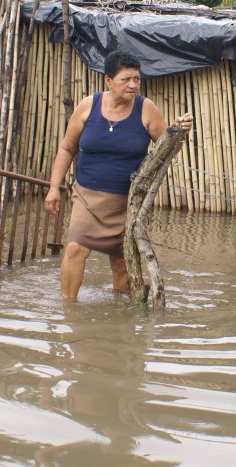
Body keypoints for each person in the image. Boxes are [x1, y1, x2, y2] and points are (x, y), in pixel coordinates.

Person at [44, 50, 193, 300]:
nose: (133, 85)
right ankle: (67, 312)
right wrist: (53, 188)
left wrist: (177, 132)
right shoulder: (87, 106)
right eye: (126, 79)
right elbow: (67, 148)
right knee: (74, 249)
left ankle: (123, 316)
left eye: (137, 79)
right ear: (108, 81)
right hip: (86, 197)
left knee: (122, 263)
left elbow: (167, 151)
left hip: (128, 202)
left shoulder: (146, 109)